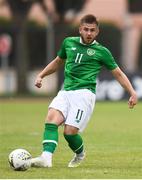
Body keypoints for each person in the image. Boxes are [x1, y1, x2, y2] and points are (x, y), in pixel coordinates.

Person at [29, 14, 138, 168]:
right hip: (65, 91)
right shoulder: (68, 43)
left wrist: (132, 92)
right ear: (80, 29)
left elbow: (118, 73)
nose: (88, 33)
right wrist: (41, 75)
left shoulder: (102, 52)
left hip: (84, 94)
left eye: (92, 30)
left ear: (97, 32)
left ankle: (80, 154)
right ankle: (46, 158)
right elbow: (57, 62)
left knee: (69, 133)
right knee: (51, 120)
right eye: (86, 29)